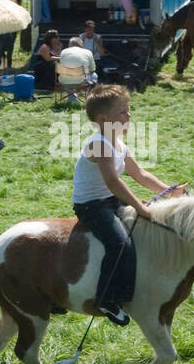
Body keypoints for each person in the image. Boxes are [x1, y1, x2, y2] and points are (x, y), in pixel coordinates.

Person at [72, 85, 185, 326]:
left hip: (109, 200)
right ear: (104, 119)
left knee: (142, 231)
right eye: (122, 112)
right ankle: (108, 299)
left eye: (129, 110)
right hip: (91, 205)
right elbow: (113, 182)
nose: (129, 116)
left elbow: (140, 174)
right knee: (119, 242)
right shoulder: (99, 144)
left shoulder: (120, 145)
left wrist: (169, 191)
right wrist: (140, 207)